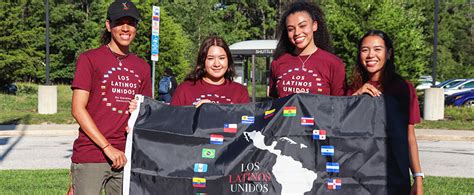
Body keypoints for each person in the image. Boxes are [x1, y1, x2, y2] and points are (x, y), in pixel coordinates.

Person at [69, 0, 152, 194]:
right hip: (91, 154)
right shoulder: (89, 59)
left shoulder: (142, 67)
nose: (125, 28)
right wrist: (107, 147)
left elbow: (146, 112)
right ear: (108, 25)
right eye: (119, 22)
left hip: (126, 155)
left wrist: (138, 111)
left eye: (130, 23)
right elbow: (77, 109)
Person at [349, 30, 423, 194]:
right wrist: (355, 97)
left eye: (377, 49)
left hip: (393, 174)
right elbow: (340, 129)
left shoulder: (404, 88)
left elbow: (409, 135)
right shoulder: (352, 89)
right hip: (357, 175)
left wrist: (418, 176)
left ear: (388, 53)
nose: (370, 55)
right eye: (365, 49)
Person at [269, 0, 346, 98]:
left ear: (314, 26)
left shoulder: (334, 63)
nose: (297, 32)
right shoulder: (278, 62)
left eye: (302, 26)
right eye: (291, 29)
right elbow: (274, 104)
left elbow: (340, 105)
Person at [169, 35, 249, 106]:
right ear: (203, 61)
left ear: (228, 60)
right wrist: (197, 112)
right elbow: (173, 120)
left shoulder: (240, 91)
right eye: (210, 58)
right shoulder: (184, 89)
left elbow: (246, 121)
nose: (217, 64)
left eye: (221, 58)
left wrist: (213, 110)